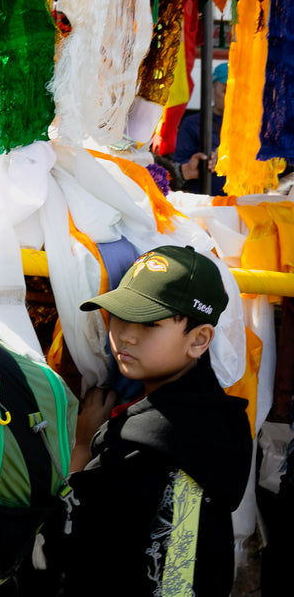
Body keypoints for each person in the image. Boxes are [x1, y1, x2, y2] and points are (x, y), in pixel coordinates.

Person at [58, 245, 252, 596]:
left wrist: (84, 445)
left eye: (149, 323)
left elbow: (67, 541)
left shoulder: (140, 443)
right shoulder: (225, 423)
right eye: (119, 316)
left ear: (199, 339)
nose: (126, 335)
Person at [173, 62, 227, 195]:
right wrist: (193, 167)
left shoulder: (254, 127)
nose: (232, 96)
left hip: (246, 205)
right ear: (212, 90)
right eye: (225, 91)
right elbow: (175, 173)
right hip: (206, 206)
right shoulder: (192, 123)